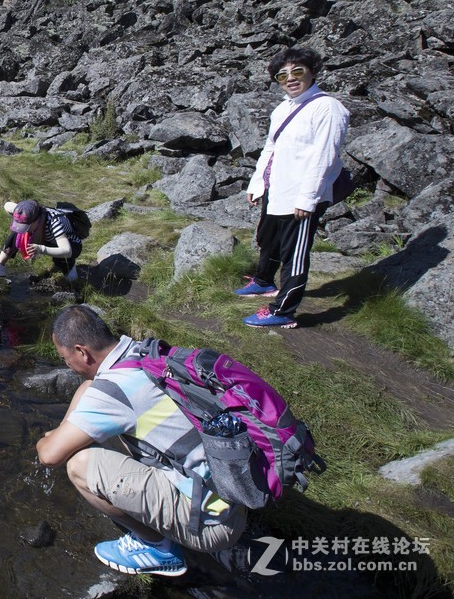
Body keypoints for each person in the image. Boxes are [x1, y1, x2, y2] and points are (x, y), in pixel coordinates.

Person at [36, 305, 247, 576]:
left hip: (211, 525)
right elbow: (90, 387)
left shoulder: (113, 390)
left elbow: (49, 456)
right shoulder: (144, 353)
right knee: (95, 404)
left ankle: (157, 548)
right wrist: (66, 430)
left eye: (65, 358)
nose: (68, 365)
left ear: (82, 352)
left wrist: (54, 437)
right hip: (234, 487)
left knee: (79, 465)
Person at [235, 46, 349, 328]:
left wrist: (308, 199)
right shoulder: (283, 108)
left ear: (312, 72)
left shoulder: (328, 108)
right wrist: (258, 183)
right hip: (278, 189)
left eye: (297, 71)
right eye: (282, 75)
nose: (290, 79)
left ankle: (283, 310)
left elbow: (325, 156)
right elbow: (270, 148)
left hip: (302, 194)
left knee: (293, 254)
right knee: (268, 239)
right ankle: (263, 281)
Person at [0, 199, 81, 281]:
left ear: (36, 220)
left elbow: (67, 251)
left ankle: (69, 266)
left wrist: (42, 249)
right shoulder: (24, 213)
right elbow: (7, 205)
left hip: (70, 245)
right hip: (44, 236)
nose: (24, 229)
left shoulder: (55, 223)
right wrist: (18, 209)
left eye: (26, 226)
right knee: (17, 233)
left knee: (70, 278)